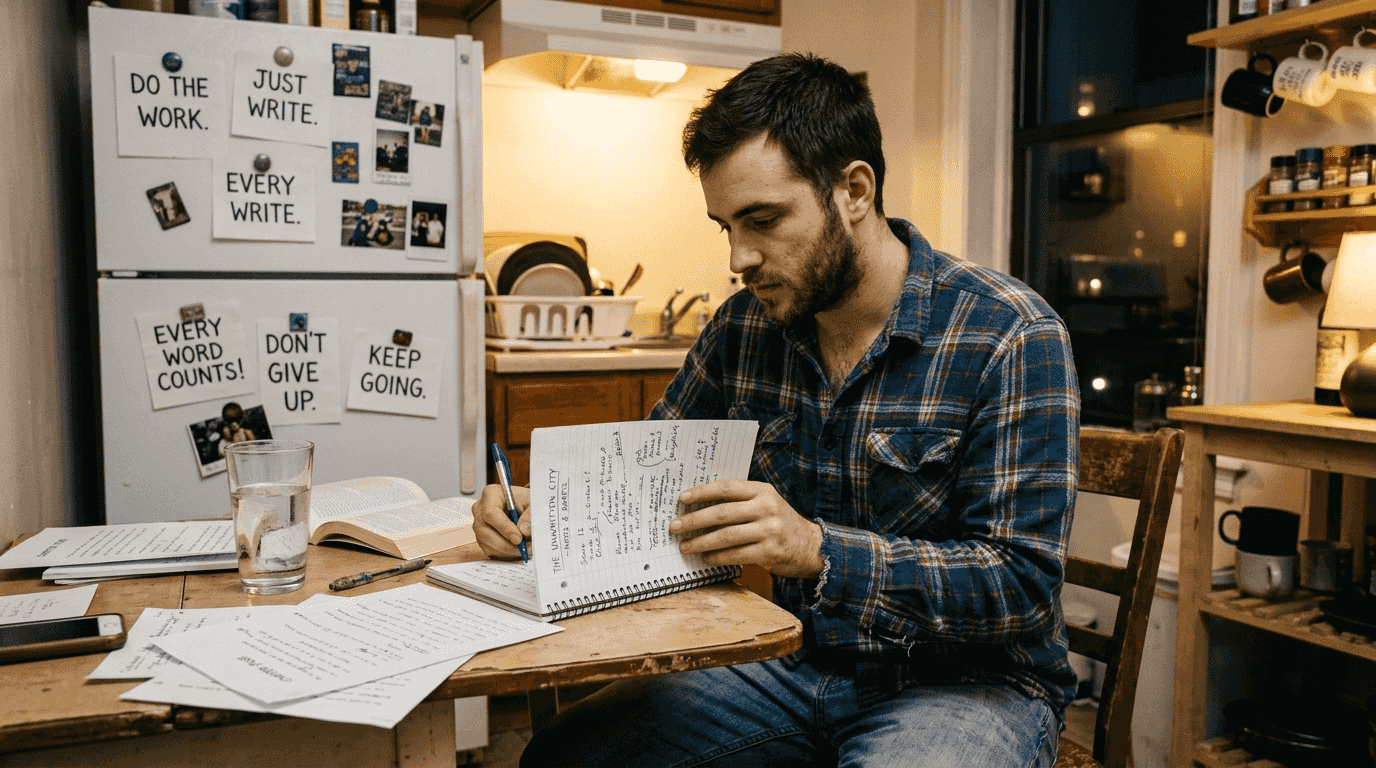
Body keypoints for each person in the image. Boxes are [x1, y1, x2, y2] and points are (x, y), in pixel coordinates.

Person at [472, 52, 1079, 768]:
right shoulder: (744, 328)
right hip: (792, 662)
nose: (739, 256)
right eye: (725, 226)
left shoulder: (1008, 333)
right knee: (563, 756)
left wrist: (816, 550)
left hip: (972, 686)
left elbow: (1019, 585)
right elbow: (643, 473)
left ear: (854, 189)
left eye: (762, 220)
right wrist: (548, 509)